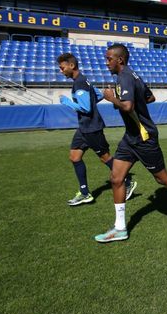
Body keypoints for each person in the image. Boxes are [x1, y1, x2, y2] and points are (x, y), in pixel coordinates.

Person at [94, 44, 167, 242]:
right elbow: (150, 97)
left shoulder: (125, 77)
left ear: (120, 60)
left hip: (144, 138)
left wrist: (112, 98)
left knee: (162, 179)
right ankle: (120, 228)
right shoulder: (133, 75)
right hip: (131, 137)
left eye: (109, 59)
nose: (106, 63)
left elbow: (128, 106)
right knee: (116, 178)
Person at [57, 53, 137, 206]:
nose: (61, 71)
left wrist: (66, 102)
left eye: (62, 68)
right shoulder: (82, 79)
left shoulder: (80, 82)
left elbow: (86, 108)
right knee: (74, 157)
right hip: (84, 128)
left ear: (71, 66)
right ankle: (85, 193)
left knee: (105, 158)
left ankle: (126, 181)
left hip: (92, 128)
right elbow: (98, 95)